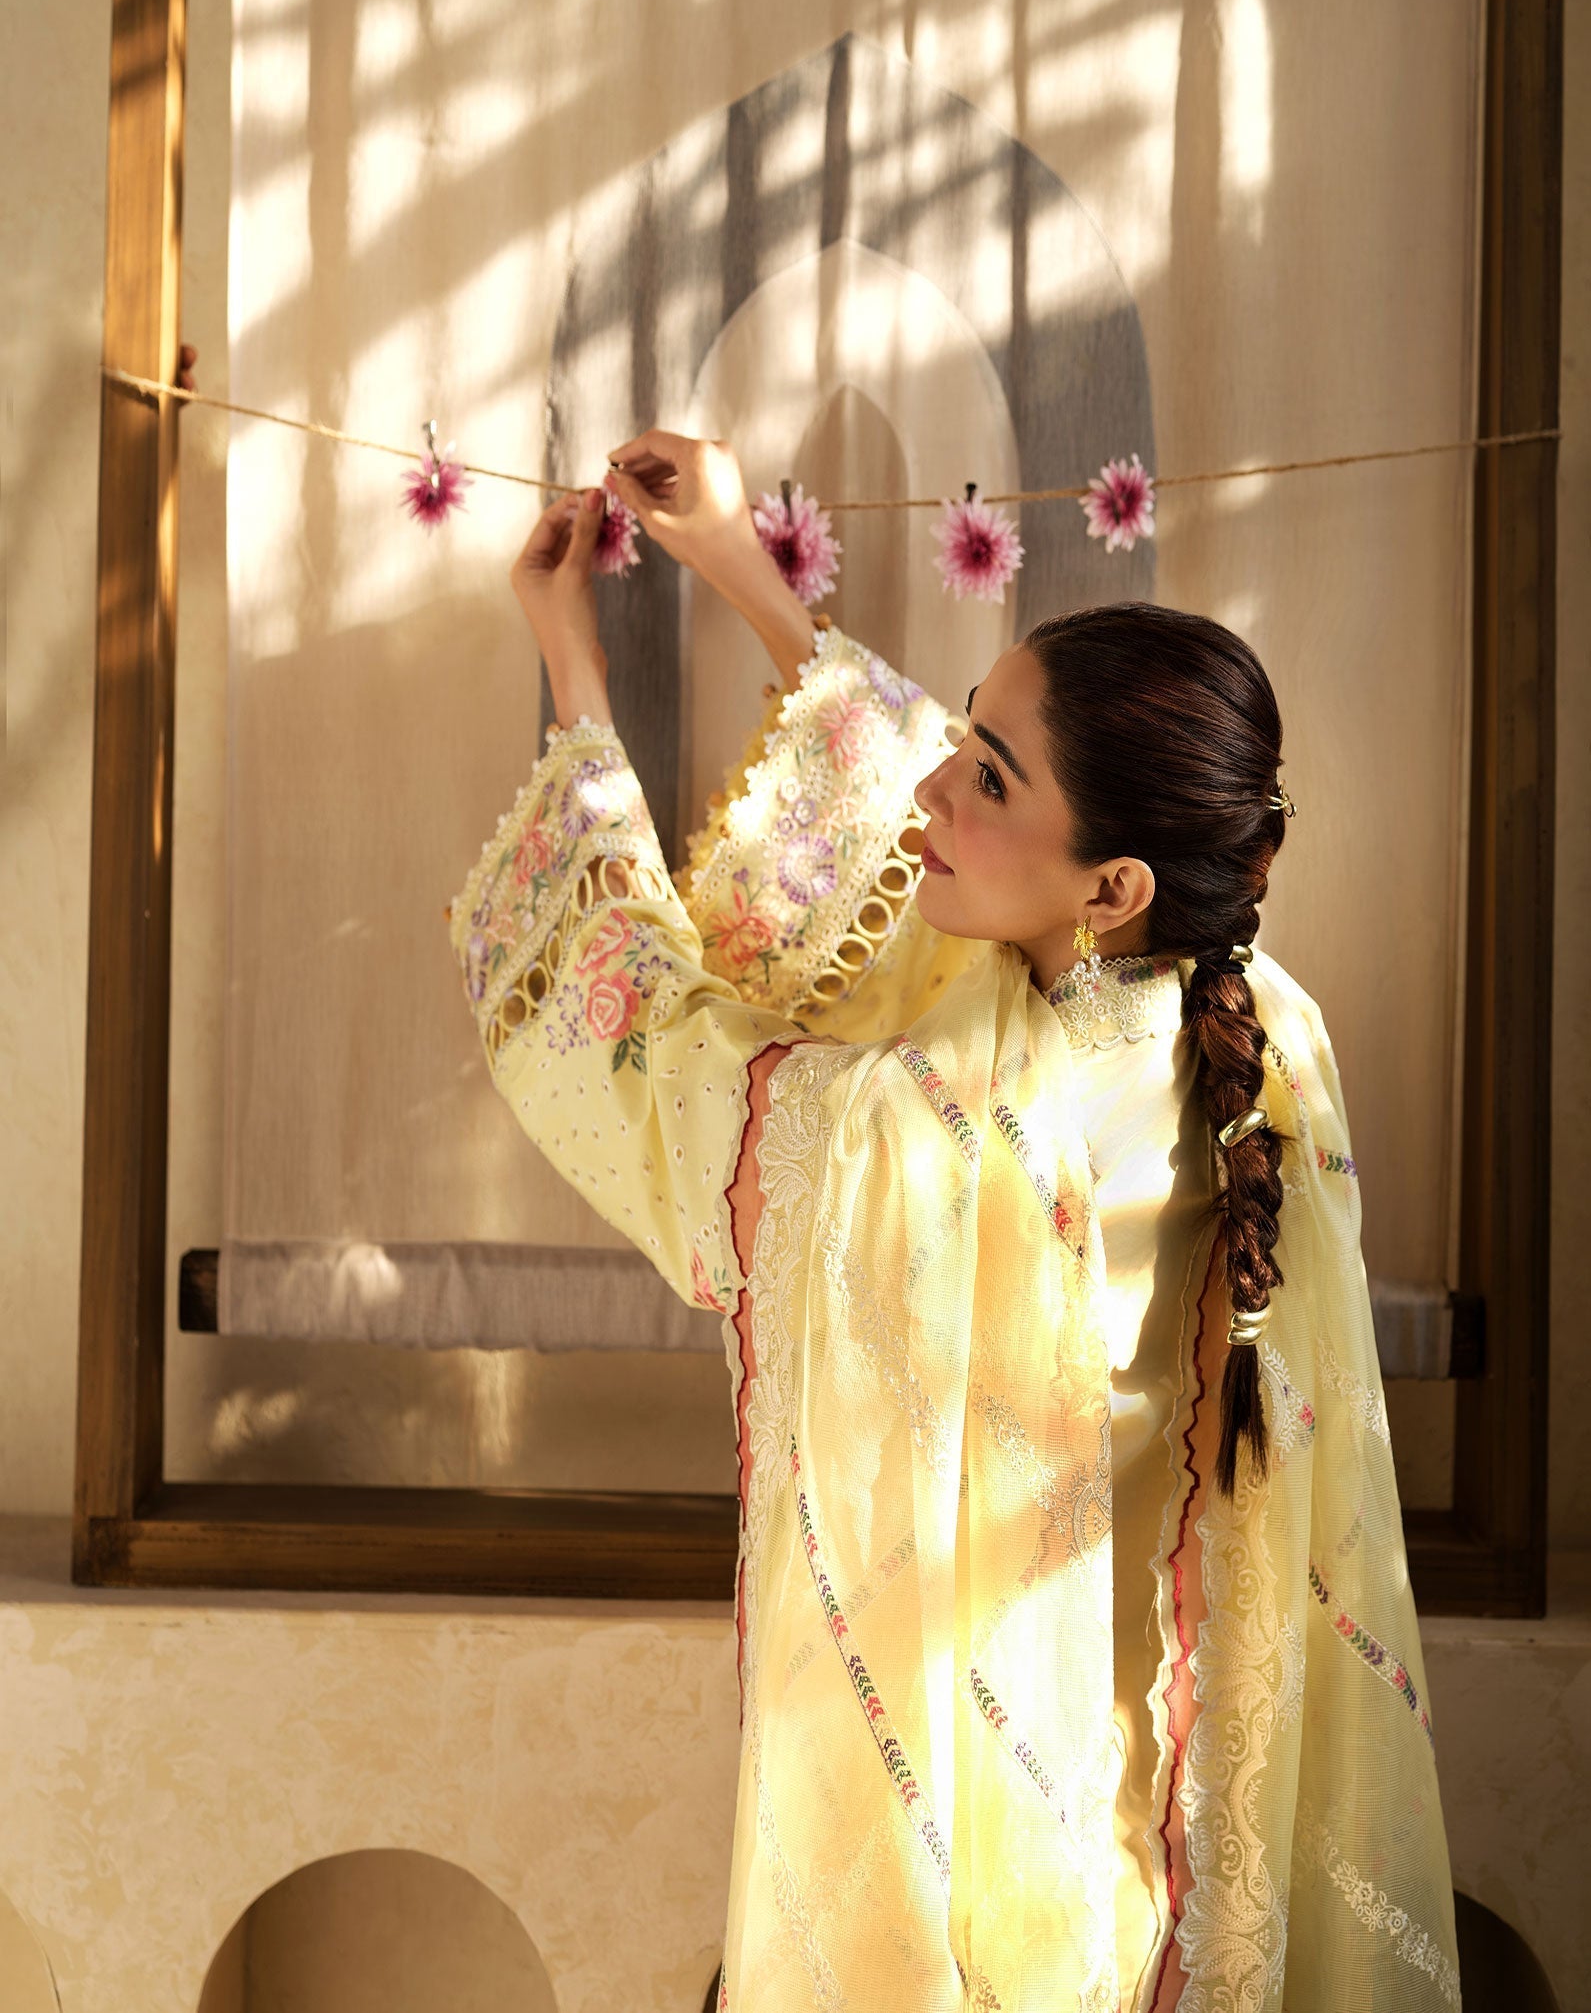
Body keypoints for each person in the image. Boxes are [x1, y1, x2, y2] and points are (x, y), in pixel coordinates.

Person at [450, 430, 1460, 2012]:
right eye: (963, 732)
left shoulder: (911, 1133)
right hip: (1185, 1826)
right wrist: (738, 563)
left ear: (1112, 886)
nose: (927, 783)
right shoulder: (1268, 1039)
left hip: (980, 1857)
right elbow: (925, 817)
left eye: (985, 774)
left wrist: (573, 670)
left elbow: (643, 1043)